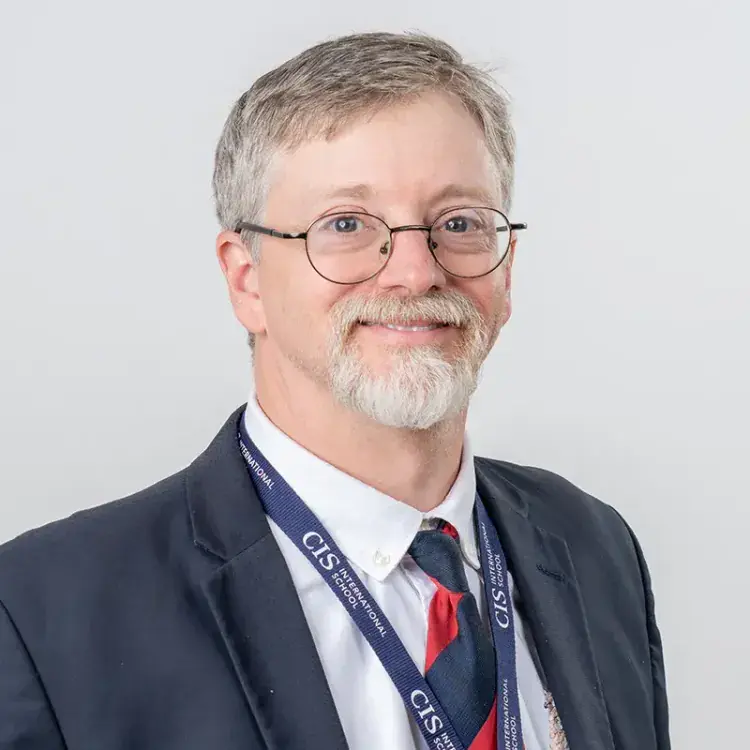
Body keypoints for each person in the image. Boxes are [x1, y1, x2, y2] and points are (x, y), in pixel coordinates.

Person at [0, 31, 670, 750]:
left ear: (506, 271)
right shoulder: (45, 614)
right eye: (345, 224)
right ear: (246, 279)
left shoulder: (593, 547)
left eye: (459, 223)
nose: (415, 272)